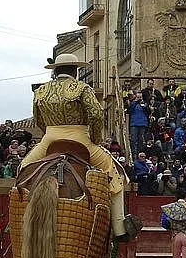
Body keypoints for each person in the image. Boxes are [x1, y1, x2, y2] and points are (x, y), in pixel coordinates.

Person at [21, 53, 135, 241]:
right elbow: (97, 114)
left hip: (49, 139)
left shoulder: (41, 91)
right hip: (80, 139)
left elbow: (38, 119)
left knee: (23, 169)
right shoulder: (82, 88)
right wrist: (95, 138)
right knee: (116, 174)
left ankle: (17, 217)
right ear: (75, 70)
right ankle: (119, 227)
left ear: (56, 70)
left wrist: (48, 134)